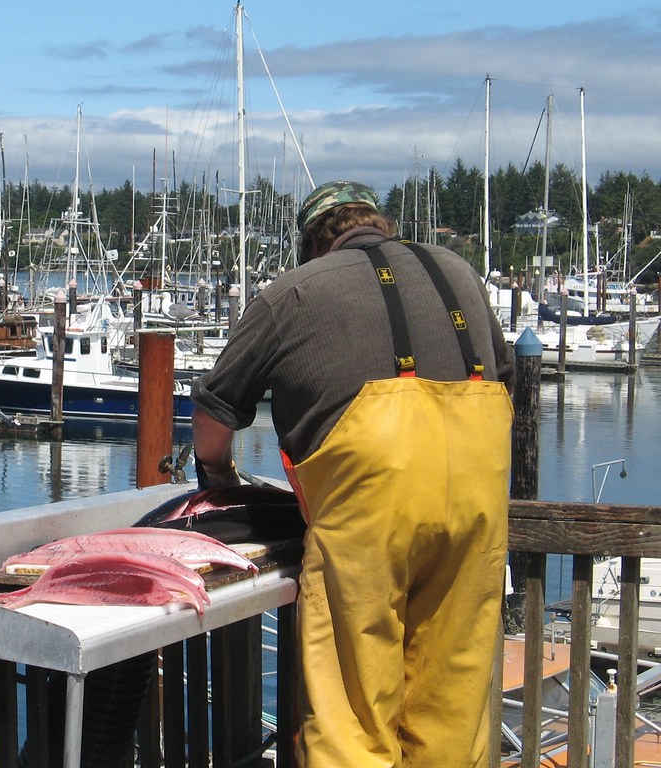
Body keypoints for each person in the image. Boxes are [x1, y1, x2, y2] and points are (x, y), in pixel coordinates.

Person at [191, 180, 515, 766]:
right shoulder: (459, 273)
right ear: (379, 223)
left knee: (352, 714)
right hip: (477, 502)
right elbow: (506, 379)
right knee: (452, 704)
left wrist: (218, 479)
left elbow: (214, 419)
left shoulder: (290, 293)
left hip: (372, 514)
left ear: (313, 242)